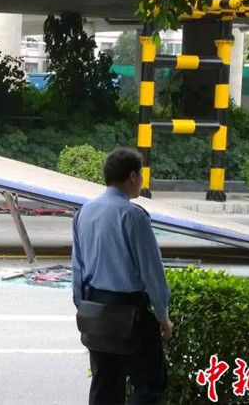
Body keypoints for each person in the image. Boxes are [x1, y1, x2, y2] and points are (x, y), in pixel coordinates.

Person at [71, 147, 173, 405]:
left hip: (97, 309)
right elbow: (152, 271)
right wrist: (163, 315)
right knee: (150, 384)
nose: (142, 180)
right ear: (132, 176)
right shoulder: (133, 215)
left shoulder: (84, 212)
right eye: (141, 175)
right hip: (131, 313)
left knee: (105, 386)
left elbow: (77, 269)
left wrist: (84, 307)